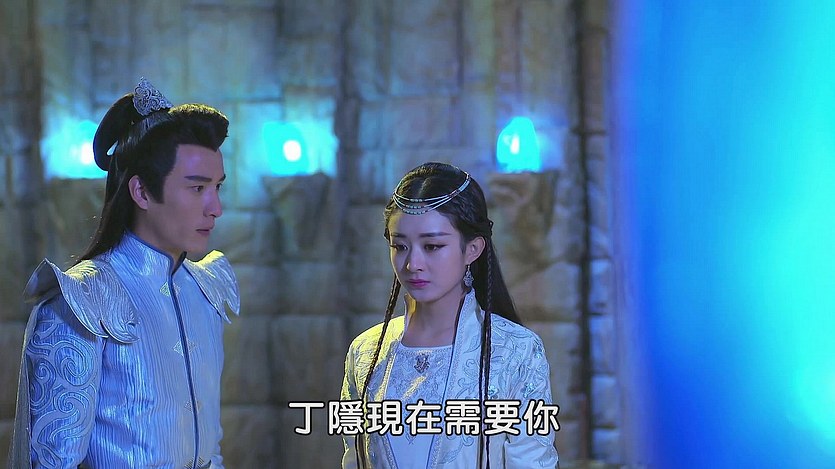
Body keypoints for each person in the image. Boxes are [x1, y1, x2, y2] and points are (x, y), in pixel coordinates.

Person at [8, 78, 239, 468]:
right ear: (142, 192)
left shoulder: (205, 290)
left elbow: (209, 450)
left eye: (217, 187)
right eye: (197, 188)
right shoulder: (83, 303)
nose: (215, 207)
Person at [341, 162, 559, 468]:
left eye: (432, 246)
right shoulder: (365, 352)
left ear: (473, 249)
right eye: (400, 246)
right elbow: (354, 459)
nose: (413, 264)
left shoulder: (515, 351)